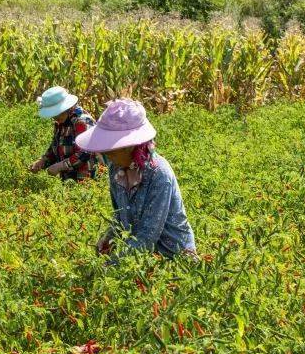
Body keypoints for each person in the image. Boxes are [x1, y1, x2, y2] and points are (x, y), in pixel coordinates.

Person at [75, 98, 196, 259]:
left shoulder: (159, 174)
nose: (106, 155)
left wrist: (112, 264)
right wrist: (109, 236)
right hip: (138, 254)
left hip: (174, 257)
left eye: (111, 150)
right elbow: (120, 213)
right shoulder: (115, 168)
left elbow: (148, 236)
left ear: (129, 146)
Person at [28, 86, 98, 181]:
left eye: (56, 114)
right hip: (68, 179)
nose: (54, 117)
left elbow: (85, 153)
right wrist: (43, 161)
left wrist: (61, 166)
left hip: (86, 180)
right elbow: (56, 146)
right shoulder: (60, 123)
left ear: (66, 108)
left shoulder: (81, 121)